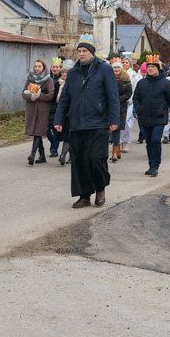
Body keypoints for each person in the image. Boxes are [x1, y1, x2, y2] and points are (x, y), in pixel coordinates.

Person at [54, 35, 119, 208]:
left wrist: (114, 119)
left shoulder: (104, 69)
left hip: (98, 122)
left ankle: (100, 188)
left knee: (96, 158)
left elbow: (112, 96)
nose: (81, 54)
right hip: (77, 123)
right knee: (79, 161)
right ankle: (84, 195)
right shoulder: (74, 72)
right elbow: (65, 98)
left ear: (92, 52)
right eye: (79, 51)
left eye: (84, 51)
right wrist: (59, 119)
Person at [132, 55, 170, 177]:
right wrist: (139, 109)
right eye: (149, 67)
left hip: (159, 116)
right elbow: (136, 98)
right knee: (149, 142)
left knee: (155, 139)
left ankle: (155, 165)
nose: (150, 69)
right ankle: (150, 164)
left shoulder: (166, 83)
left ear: (159, 68)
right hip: (145, 116)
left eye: (153, 67)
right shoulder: (142, 83)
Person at [22, 59, 54, 166]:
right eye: (35, 66)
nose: (37, 68)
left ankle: (32, 154)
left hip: (42, 110)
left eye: (39, 66)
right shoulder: (29, 79)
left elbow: (50, 95)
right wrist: (32, 97)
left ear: (43, 68)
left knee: (38, 131)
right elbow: (23, 94)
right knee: (36, 132)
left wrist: (38, 95)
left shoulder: (48, 80)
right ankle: (42, 155)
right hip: (31, 108)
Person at [110, 58, 132, 162]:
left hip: (121, 107)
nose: (116, 69)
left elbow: (129, 93)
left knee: (117, 128)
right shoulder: (108, 78)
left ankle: (115, 151)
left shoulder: (126, 78)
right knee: (109, 128)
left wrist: (117, 99)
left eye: (118, 67)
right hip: (109, 106)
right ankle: (116, 149)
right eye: (114, 67)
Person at [54, 60, 73, 165]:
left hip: (72, 113)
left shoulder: (75, 84)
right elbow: (54, 99)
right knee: (66, 136)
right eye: (64, 72)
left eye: (67, 72)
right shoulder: (58, 83)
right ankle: (64, 155)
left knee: (71, 136)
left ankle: (65, 155)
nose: (65, 74)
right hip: (62, 113)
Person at [120, 56, 139, 153]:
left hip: (129, 102)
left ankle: (126, 141)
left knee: (127, 123)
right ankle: (118, 142)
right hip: (119, 102)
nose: (124, 64)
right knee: (118, 122)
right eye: (123, 62)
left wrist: (131, 99)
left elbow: (135, 88)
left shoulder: (134, 75)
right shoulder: (117, 73)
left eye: (127, 62)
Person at [46, 57, 64, 157]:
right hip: (48, 105)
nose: (55, 69)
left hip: (57, 106)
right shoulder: (48, 78)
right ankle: (53, 143)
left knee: (56, 128)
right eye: (53, 67)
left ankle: (54, 149)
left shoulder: (62, 79)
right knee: (46, 129)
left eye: (57, 67)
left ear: (60, 68)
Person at [136, 62, 148, 144]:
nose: (144, 74)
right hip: (140, 103)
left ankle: (142, 134)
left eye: (145, 72)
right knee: (140, 121)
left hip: (147, 104)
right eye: (142, 72)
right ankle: (142, 131)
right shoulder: (138, 79)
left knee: (145, 121)